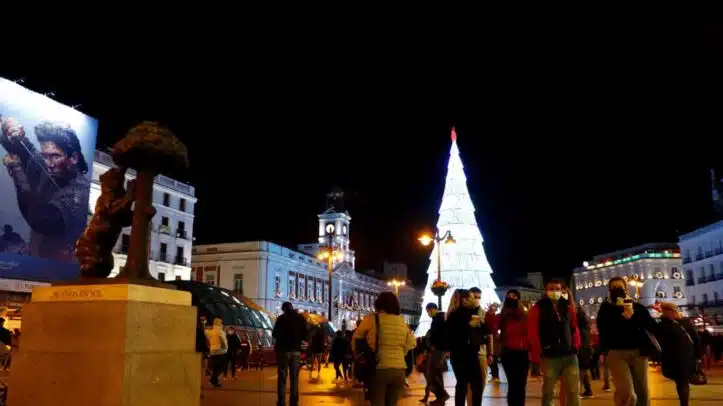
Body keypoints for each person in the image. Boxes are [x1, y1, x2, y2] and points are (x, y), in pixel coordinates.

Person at [1, 118, 90, 262]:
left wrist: (17, 172)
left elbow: (40, 220)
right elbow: (25, 151)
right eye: (45, 156)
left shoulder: (79, 192)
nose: (48, 164)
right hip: (37, 261)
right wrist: (12, 132)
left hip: (59, 271)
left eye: (55, 156)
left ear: (73, 157)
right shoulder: (51, 167)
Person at [597, 276, 657, 406]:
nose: (617, 291)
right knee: (626, 392)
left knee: (642, 391)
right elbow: (603, 330)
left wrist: (633, 316)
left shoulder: (637, 307)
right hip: (616, 353)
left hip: (638, 352)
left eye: (620, 288)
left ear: (626, 289)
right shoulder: (605, 309)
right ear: (609, 290)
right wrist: (620, 318)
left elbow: (650, 325)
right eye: (614, 288)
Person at [353, 291, 416, 406]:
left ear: (378, 304)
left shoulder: (372, 319)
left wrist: (360, 354)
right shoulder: (402, 321)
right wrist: (401, 353)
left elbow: (356, 338)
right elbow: (412, 342)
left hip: (378, 369)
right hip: (399, 370)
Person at [528, 280, 581, 406]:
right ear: (546, 291)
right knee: (548, 391)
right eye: (551, 289)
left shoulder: (568, 307)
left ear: (562, 290)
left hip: (569, 355)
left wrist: (575, 346)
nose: (555, 291)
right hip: (549, 356)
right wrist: (539, 352)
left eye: (557, 289)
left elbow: (574, 329)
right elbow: (532, 331)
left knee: (574, 390)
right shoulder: (538, 308)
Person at [446, 289, 489, 406]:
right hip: (460, 354)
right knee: (463, 384)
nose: (473, 300)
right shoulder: (454, 314)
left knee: (475, 384)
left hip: (471, 353)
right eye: (470, 298)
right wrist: (468, 326)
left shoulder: (472, 312)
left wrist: (481, 323)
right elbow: (453, 335)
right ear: (463, 299)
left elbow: (486, 330)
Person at [657, 302, 701, 406]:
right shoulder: (685, 322)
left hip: (673, 358)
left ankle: (684, 403)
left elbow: (659, 343)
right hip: (686, 357)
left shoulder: (661, 325)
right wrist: (698, 356)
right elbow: (696, 339)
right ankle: (684, 403)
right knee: (683, 383)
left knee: (681, 382)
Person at [498, 289, 530, 406]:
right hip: (508, 352)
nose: (512, 298)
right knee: (513, 384)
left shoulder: (524, 313)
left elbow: (529, 331)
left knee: (521, 384)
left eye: (514, 296)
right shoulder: (503, 313)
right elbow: (494, 327)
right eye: (509, 295)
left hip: (522, 352)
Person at [272, 302, 308, 406]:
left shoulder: (281, 319)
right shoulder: (300, 319)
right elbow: (305, 334)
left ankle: (281, 402)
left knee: (282, 378)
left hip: (283, 351)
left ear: (284, 309)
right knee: (294, 378)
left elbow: (274, 334)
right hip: (296, 352)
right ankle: (294, 402)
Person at [420, 302, 450, 405]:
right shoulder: (440, 318)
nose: (428, 314)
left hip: (438, 350)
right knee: (436, 374)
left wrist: (434, 345)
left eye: (428, 311)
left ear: (432, 309)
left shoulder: (438, 319)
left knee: (431, 375)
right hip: (440, 350)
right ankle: (440, 398)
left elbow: (439, 335)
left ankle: (442, 395)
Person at [204, 317, 228, 388]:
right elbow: (223, 341)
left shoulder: (210, 331)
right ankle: (213, 380)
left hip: (213, 351)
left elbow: (207, 335)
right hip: (221, 351)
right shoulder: (221, 331)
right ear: (220, 323)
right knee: (221, 367)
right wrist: (225, 348)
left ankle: (215, 381)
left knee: (215, 367)